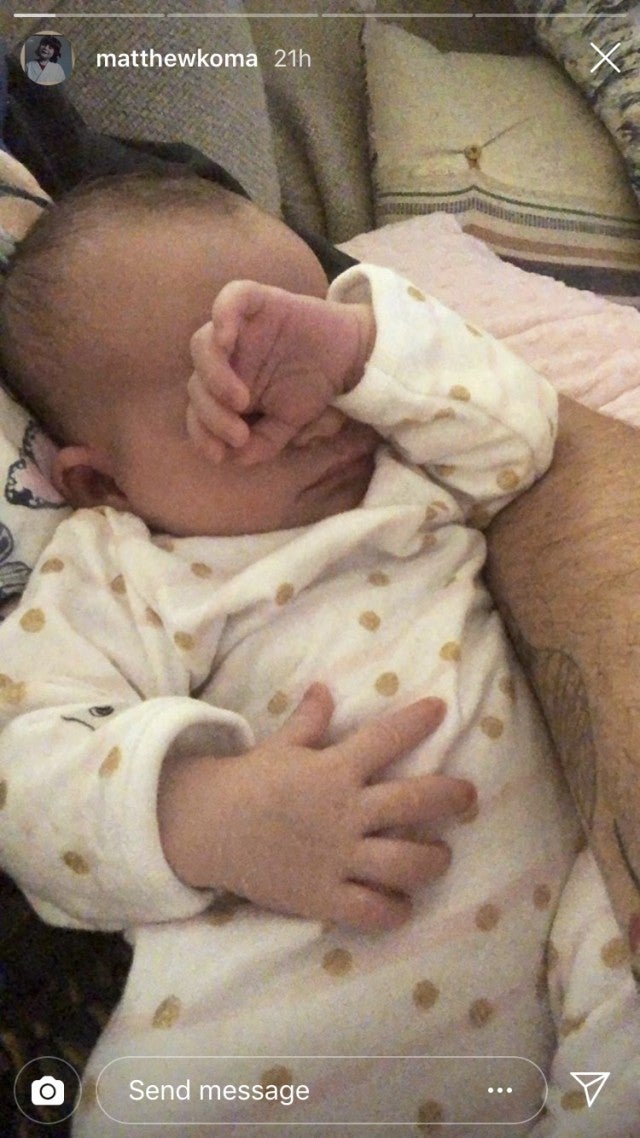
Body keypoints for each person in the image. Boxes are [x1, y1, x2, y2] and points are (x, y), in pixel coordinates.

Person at [0, 173, 638, 1137]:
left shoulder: (415, 467)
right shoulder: (122, 574)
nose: (324, 414)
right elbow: (26, 768)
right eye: (253, 403)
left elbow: (528, 434)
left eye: (315, 361)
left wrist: (361, 350)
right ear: (103, 482)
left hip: (558, 985)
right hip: (264, 1042)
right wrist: (200, 812)